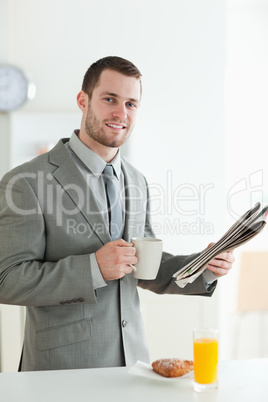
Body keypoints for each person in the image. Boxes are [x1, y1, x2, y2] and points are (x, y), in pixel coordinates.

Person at [0, 56, 234, 372]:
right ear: (83, 101)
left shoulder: (136, 180)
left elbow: (144, 264)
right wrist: (93, 268)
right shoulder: (26, 182)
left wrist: (202, 266)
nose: (120, 113)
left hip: (132, 365)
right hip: (61, 370)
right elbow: (7, 279)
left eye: (131, 103)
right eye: (110, 99)